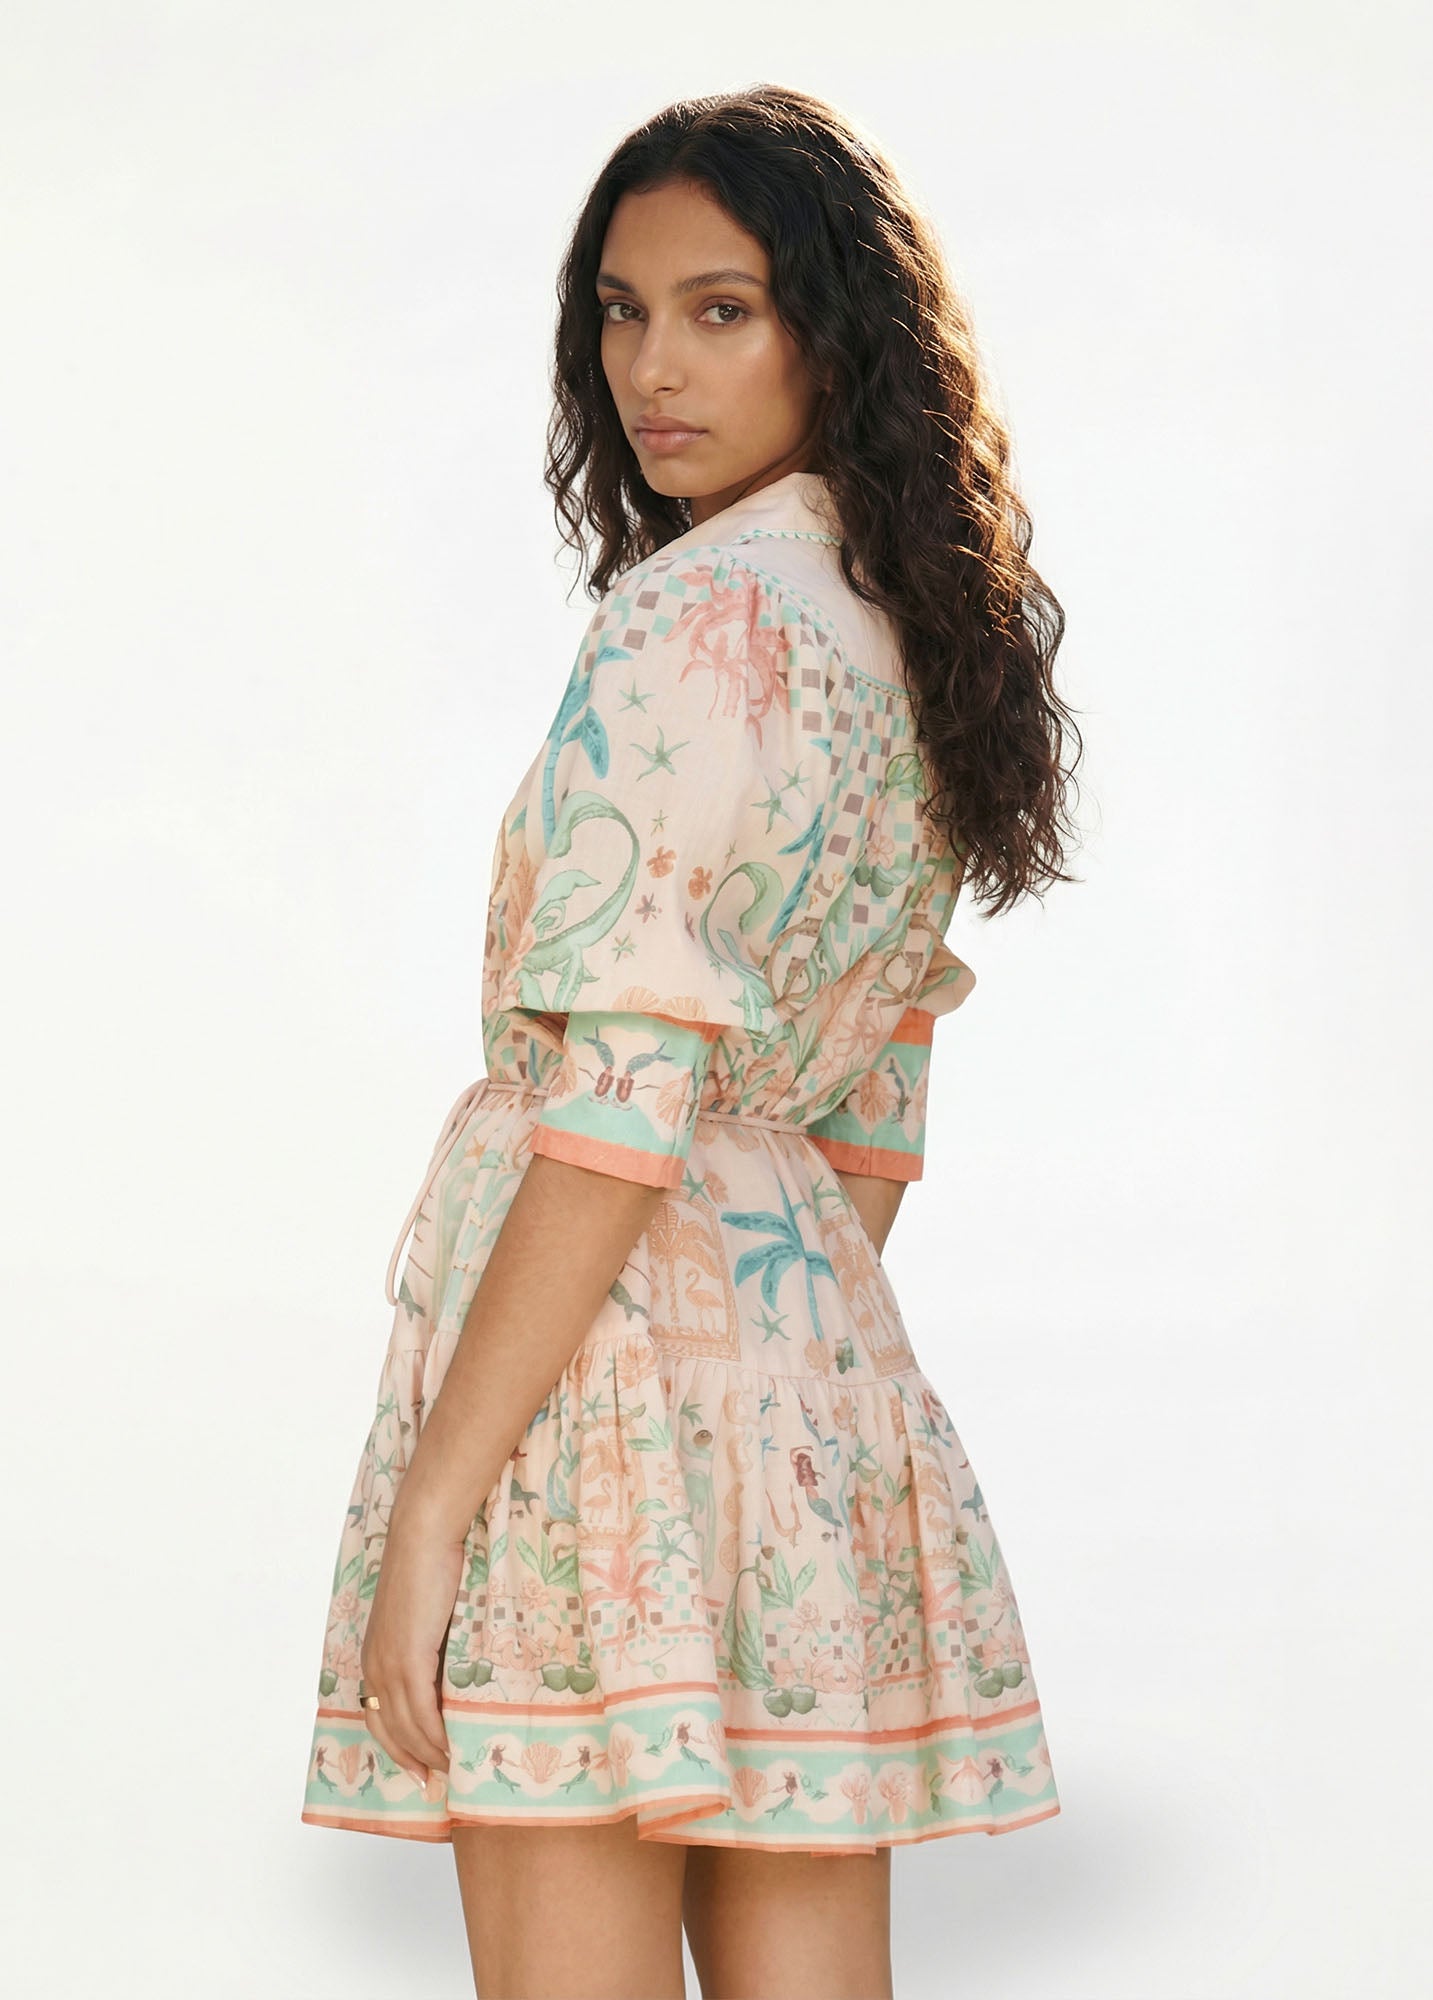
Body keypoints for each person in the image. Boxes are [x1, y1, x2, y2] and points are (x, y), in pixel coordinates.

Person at [301, 82, 1081, 2000]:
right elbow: (876, 1114)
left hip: (591, 1383)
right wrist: (765, 1390)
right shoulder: (912, 636)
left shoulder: (691, 622)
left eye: (721, 310)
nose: (652, 368)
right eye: (622, 313)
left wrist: (439, 1504)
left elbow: (618, 1107)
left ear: (838, 328)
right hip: (806, 1374)